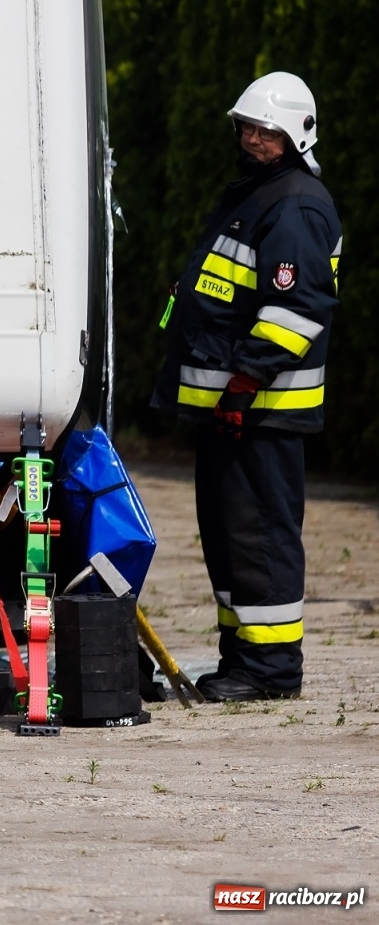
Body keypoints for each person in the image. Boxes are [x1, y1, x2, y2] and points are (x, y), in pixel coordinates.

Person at [150, 71, 340, 703]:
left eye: (267, 131)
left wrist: (245, 382)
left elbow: (298, 309)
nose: (254, 139)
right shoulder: (258, 195)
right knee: (232, 541)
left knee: (259, 541)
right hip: (233, 412)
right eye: (248, 128)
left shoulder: (295, 204)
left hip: (261, 411)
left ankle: (271, 669)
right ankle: (243, 660)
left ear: (296, 136)